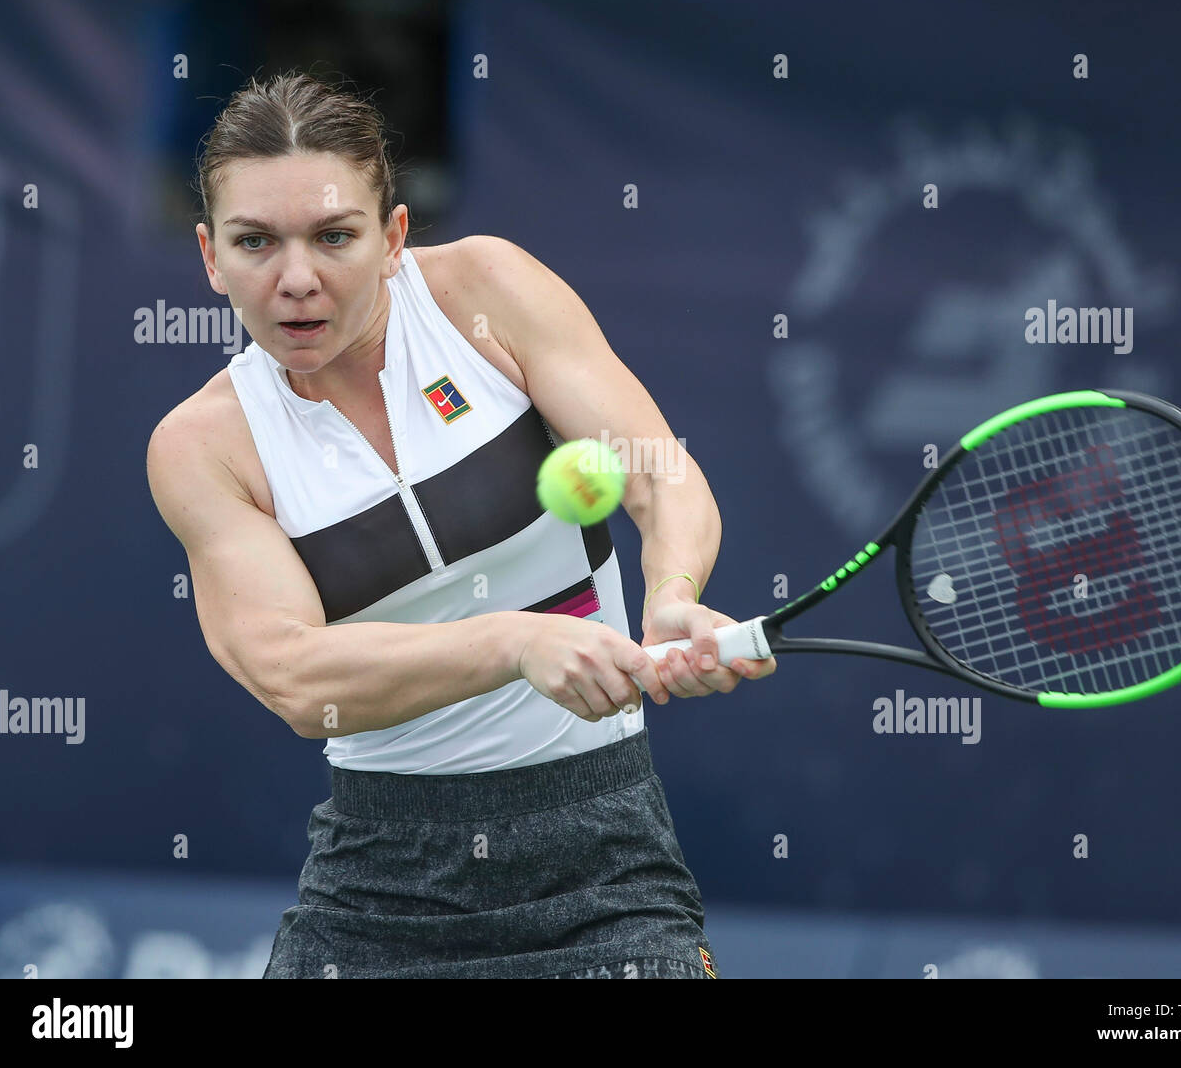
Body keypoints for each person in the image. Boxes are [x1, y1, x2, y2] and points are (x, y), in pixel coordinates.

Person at [146, 71, 777, 979]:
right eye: (255, 243)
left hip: (604, 868)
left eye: (334, 236)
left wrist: (674, 591)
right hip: (376, 887)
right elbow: (290, 671)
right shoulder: (203, 444)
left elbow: (659, 474)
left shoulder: (487, 291)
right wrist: (514, 643)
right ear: (210, 258)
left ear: (394, 236)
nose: (296, 279)